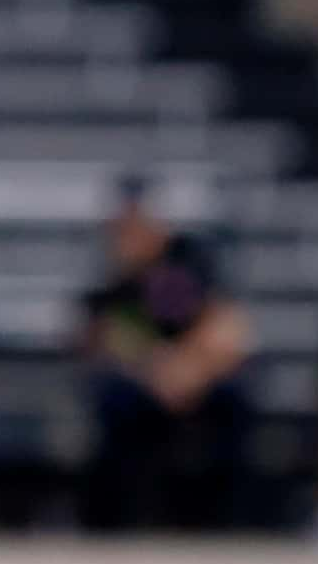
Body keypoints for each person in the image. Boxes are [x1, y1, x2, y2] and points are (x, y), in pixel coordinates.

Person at [80, 182, 254, 530]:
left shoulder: (192, 261)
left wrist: (189, 369)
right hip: (148, 380)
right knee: (115, 402)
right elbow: (108, 339)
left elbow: (227, 327)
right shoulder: (117, 281)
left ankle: (227, 517)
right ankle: (121, 520)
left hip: (200, 374)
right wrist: (157, 368)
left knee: (233, 401)